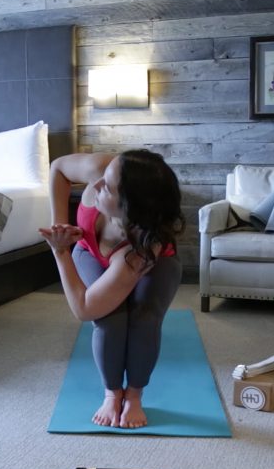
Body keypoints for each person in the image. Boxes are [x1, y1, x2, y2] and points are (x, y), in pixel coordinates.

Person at [39, 149, 184, 429]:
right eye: (103, 178)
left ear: (130, 207)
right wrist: (60, 227)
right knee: (108, 319)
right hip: (90, 250)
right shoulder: (103, 168)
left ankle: (134, 396)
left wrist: (59, 253)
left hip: (152, 260)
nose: (96, 185)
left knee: (143, 317)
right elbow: (58, 168)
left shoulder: (143, 248)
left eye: (108, 187)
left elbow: (82, 307)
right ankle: (111, 393)